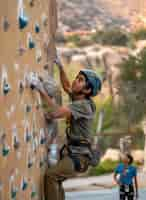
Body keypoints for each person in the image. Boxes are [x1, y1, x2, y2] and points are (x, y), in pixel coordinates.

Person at [29, 56, 102, 200]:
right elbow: (67, 86)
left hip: (79, 157)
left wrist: (39, 89)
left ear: (87, 90)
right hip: (72, 153)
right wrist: (61, 67)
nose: (76, 80)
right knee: (57, 181)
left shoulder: (84, 106)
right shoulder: (78, 97)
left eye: (80, 80)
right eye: (77, 77)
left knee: (51, 176)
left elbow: (56, 112)